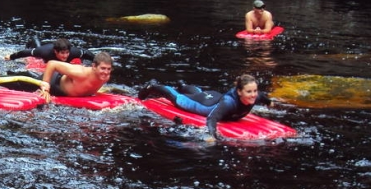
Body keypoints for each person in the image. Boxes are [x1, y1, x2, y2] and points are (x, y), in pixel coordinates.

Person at [137, 74, 274, 140]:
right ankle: (152, 86)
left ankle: (183, 85)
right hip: (202, 105)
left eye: (255, 91)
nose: (253, 95)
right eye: (249, 92)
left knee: (199, 92)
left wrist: (271, 104)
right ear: (239, 92)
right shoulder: (229, 103)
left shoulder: (257, 96)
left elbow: (265, 99)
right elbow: (211, 119)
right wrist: (212, 136)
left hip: (210, 96)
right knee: (179, 98)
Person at [41, 52, 113, 97]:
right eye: (103, 68)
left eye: (108, 69)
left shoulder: (105, 77)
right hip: (54, 83)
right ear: (94, 66)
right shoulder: (80, 73)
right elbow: (52, 64)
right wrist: (45, 88)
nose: (106, 72)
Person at [6, 37, 95, 64]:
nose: (65, 55)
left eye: (67, 52)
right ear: (56, 52)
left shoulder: (74, 52)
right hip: (44, 50)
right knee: (36, 49)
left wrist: (98, 62)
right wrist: (10, 57)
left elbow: (87, 53)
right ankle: (34, 38)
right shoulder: (44, 52)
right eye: (62, 53)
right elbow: (25, 53)